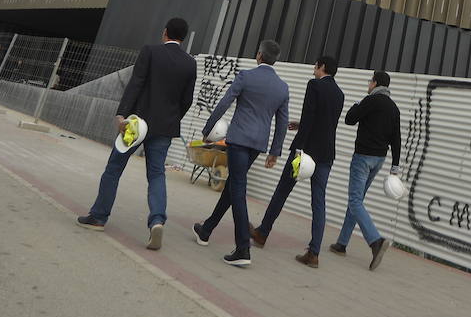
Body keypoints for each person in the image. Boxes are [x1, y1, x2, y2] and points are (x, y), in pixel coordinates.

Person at [77, 18, 196, 250]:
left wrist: (122, 115)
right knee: (156, 175)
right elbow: (187, 100)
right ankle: (157, 221)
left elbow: (136, 84)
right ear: (183, 37)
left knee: (114, 169)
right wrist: (172, 120)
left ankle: (98, 216)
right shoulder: (190, 63)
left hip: (136, 124)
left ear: (165, 33)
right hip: (164, 128)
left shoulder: (150, 52)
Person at [193, 40, 289, 267]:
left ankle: (243, 248)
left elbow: (224, 103)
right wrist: (275, 150)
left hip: (238, 140)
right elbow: (282, 122)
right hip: (258, 144)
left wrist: (208, 129)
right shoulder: (282, 87)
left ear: (259, 55)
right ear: (275, 59)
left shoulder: (246, 76)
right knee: (234, 185)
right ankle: (206, 230)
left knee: (237, 188)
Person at [251, 55, 344, 268]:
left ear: (322, 67)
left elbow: (311, 115)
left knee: (282, 191)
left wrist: (298, 147)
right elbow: (325, 122)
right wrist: (301, 124)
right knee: (318, 202)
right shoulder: (339, 94)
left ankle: (262, 233)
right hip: (326, 153)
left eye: (315, 65)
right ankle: (314, 253)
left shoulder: (314, 85)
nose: (313, 69)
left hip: (305, 152)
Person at [331, 70, 401, 271]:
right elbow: (396, 139)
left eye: (370, 80)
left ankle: (375, 241)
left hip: (363, 157)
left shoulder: (371, 101)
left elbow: (349, 119)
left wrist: (356, 106)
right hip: (379, 159)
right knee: (357, 200)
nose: (368, 84)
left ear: (376, 83)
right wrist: (394, 167)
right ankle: (342, 243)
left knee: (354, 201)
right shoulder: (393, 108)